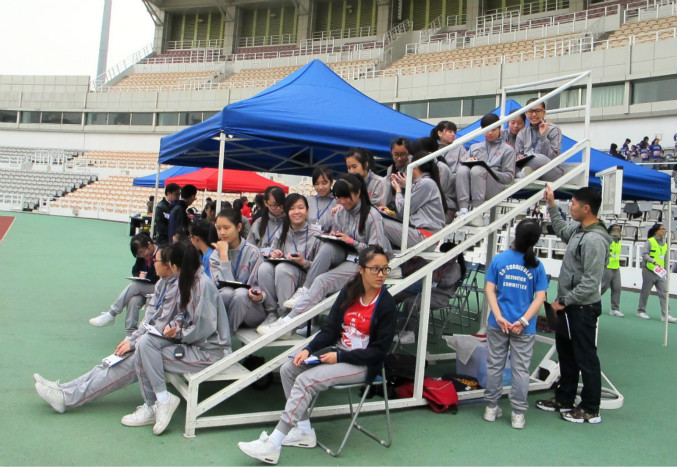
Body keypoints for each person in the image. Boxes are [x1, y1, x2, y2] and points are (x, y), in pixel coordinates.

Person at [237, 245, 397, 465]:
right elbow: (330, 330)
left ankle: (273, 443)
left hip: (364, 364)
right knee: (289, 369)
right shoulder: (350, 290)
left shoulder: (386, 304)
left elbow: (379, 351)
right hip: (339, 352)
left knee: (306, 380)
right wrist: (308, 350)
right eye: (375, 269)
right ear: (361, 269)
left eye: (385, 269)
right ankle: (303, 430)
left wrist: (339, 358)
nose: (381, 274)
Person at [35, 246, 178, 413]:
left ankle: (67, 399)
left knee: (120, 368)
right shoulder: (162, 283)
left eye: (156, 260)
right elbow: (149, 320)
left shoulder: (177, 288)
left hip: (162, 345)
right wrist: (132, 340)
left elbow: (162, 326)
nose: (153, 263)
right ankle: (65, 388)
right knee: (109, 362)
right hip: (150, 341)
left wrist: (134, 344)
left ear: (169, 265)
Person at [261, 174, 391, 336]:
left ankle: (288, 321)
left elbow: (377, 253)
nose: (343, 201)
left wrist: (352, 242)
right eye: (339, 198)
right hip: (342, 256)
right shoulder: (340, 213)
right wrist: (335, 237)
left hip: (363, 263)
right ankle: (304, 291)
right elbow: (335, 241)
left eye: (346, 197)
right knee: (328, 246)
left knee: (322, 281)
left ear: (358, 193)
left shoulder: (372, 215)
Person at [122, 241, 231, 435]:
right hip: (193, 343)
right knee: (144, 344)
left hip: (210, 351)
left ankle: (157, 403)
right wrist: (175, 326)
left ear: (174, 265)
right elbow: (184, 315)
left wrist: (178, 332)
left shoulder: (203, 285)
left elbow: (203, 329)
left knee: (145, 354)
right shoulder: (188, 280)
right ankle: (158, 401)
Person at [537, 184, 610, 424]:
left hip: (582, 308)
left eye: (574, 204)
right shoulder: (579, 230)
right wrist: (551, 204)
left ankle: (590, 408)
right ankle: (565, 398)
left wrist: (563, 301)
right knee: (567, 355)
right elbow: (560, 229)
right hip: (570, 306)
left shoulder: (594, 240)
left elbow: (590, 283)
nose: (571, 207)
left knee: (586, 358)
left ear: (586, 209)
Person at [483, 219, 548, 429]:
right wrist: (523, 321)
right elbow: (540, 298)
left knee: (495, 365)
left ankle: (491, 408)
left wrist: (498, 316)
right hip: (524, 328)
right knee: (521, 370)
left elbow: (489, 290)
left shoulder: (499, 260)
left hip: (498, 324)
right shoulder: (537, 266)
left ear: (515, 235)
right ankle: (518, 414)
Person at [256, 194, 322, 330]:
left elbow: (321, 267)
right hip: (285, 275)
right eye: (292, 208)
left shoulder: (316, 234)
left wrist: (304, 262)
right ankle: (272, 313)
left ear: (307, 211)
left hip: (307, 279)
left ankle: (289, 316)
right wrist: (274, 253)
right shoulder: (282, 231)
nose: (296, 212)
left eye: (300, 207)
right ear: (286, 212)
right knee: (264, 268)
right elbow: (271, 250)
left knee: (283, 269)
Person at [89, 233, 160, 335]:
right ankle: (130, 333)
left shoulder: (161, 254)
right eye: (139, 255)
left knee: (135, 286)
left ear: (149, 245)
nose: (142, 256)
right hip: (146, 287)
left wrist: (145, 277)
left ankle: (112, 313)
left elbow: (158, 276)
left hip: (159, 287)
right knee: (134, 300)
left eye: (142, 253)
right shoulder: (143, 255)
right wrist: (139, 275)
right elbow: (135, 270)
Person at [210, 207, 265, 332]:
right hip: (228, 304)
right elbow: (222, 286)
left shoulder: (253, 252)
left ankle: (226, 336)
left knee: (240, 294)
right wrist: (224, 256)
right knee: (225, 293)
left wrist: (258, 294)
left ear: (238, 227)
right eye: (218, 228)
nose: (222, 232)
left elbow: (256, 288)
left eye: (226, 228)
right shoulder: (216, 254)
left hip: (252, 309)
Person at [456, 113, 516, 225]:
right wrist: (469, 162)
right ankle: (463, 210)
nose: (490, 133)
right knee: (462, 169)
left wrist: (488, 170)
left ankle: (477, 213)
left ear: (499, 128)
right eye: (487, 130)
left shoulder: (507, 149)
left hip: (496, 187)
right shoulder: (475, 147)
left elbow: (508, 178)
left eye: (493, 129)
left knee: (478, 169)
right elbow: (459, 168)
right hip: (473, 186)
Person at [379, 150, 447, 249]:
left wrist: (398, 190)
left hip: (425, 235)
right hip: (420, 233)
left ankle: (382, 255)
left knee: (378, 222)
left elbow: (403, 210)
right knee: (379, 219)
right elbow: (410, 212)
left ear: (415, 166)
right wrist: (391, 214)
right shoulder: (423, 183)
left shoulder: (426, 183)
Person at [636, 223, 676, 322]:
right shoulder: (650, 241)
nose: (664, 231)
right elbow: (645, 254)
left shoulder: (665, 244)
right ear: (656, 231)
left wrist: (666, 270)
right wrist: (653, 261)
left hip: (660, 272)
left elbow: (666, 258)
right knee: (646, 292)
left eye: (664, 229)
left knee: (664, 292)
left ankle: (665, 314)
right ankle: (641, 311)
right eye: (662, 229)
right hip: (649, 270)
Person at [515, 98, 563, 181]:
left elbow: (552, 158)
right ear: (526, 113)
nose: (534, 114)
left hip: (550, 169)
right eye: (530, 111)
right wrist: (519, 156)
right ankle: (522, 174)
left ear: (544, 112)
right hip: (528, 168)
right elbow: (518, 153)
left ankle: (522, 175)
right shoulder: (522, 133)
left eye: (537, 111)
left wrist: (543, 136)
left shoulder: (553, 129)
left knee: (539, 158)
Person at [248, 186, 285, 251]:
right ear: (266, 203)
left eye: (281, 204)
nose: (278, 208)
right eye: (274, 205)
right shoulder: (258, 223)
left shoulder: (289, 222)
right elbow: (249, 248)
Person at [602, 224, 624, 317]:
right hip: (607, 267)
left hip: (616, 268)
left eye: (619, 229)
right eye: (616, 229)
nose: (618, 230)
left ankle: (615, 309)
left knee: (617, 288)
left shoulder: (618, 243)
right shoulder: (607, 240)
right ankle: (589, 302)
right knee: (603, 287)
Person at [384, 137, 413, 208]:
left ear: (408, 153)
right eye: (396, 155)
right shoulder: (390, 169)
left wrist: (406, 184)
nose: (399, 158)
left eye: (403, 154)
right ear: (391, 153)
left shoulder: (414, 166)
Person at [307, 166, 336, 233]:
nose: (320, 187)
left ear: (331, 183)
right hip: (310, 238)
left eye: (324, 183)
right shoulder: (308, 201)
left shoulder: (338, 202)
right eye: (316, 184)